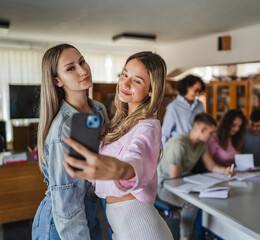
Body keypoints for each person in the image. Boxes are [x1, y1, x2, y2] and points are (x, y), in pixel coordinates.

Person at [63, 51, 172, 240]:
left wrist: (118, 170)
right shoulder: (121, 122)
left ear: (151, 90)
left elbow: (135, 160)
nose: (125, 84)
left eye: (137, 81)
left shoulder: (148, 126)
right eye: (124, 74)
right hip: (120, 226)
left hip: (142, 229)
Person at [32, 44, 108, 240]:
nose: (83, 70)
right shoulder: (62, 129)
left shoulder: (98, 110)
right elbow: (66, 202)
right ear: (57, 80)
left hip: (89, 211)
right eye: (71, 68)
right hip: (61, 222)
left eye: (82, 61)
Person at [157, 112, 234, 240]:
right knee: (192, 203)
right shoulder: (179, 144)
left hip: (184, 181)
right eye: (211, 133)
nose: (212, 136)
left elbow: (211, 166)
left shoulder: (202, 144)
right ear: (203, 130)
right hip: (165, 185)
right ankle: (184, 237)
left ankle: (204, 231)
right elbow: (174, 181)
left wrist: (225, 170)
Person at [161, 74, 206, 147]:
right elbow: (165, 132)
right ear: (186, 87)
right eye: (196, 90)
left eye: (199, 91)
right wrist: (165, 153)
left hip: (197, 147)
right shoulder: (173, 107)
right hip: (180, 147)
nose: (197, 94)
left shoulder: (200, 105)